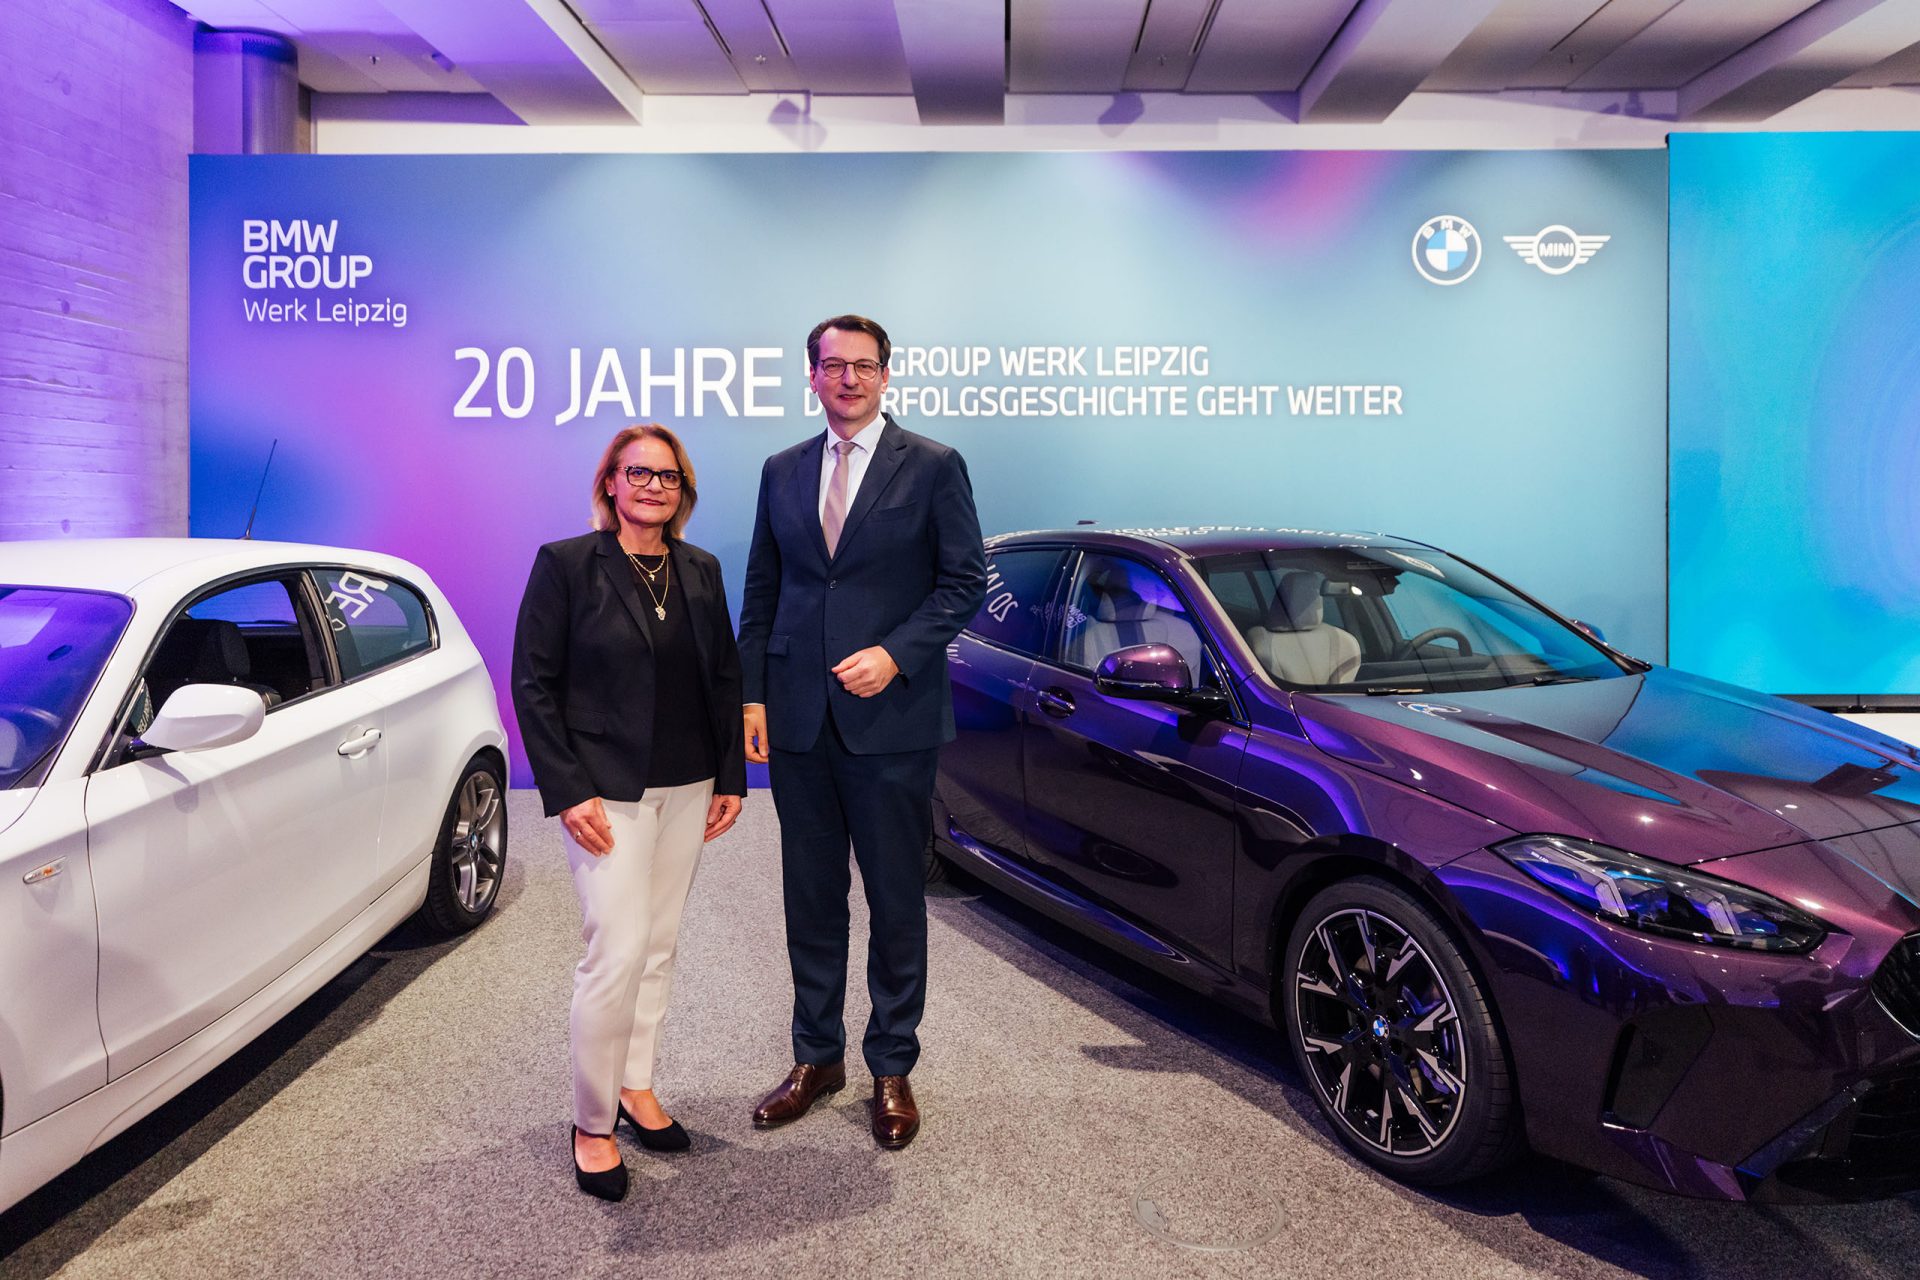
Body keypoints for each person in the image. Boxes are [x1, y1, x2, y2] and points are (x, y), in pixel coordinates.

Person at [737, 314, 986, 1149]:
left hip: (892, 719)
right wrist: (752, 699)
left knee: (892, 899)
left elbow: (963, 586)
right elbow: (763, 590)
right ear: (811, 375)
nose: (848, 378)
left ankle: (891, 1066)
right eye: (833, 365)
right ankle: (817, 1058)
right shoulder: (782, 470)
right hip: (800, 717)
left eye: (864, 365)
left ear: (887, 375)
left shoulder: (936, 467)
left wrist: (896, 653)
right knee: (810, 899)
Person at [511, 424, 747, 1201]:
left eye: (668, 477)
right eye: (637, 473)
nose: (653, 486)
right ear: (609, 482)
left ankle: (637, 1085)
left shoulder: (701, 570)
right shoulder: (567, 566)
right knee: (613, 951)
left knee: (658, 945)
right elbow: (534, 685)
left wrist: (730, 778)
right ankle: (590, 1121)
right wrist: (567, 789)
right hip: (604, 790)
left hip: (685, 787)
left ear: (683, 492)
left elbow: (721, 677)